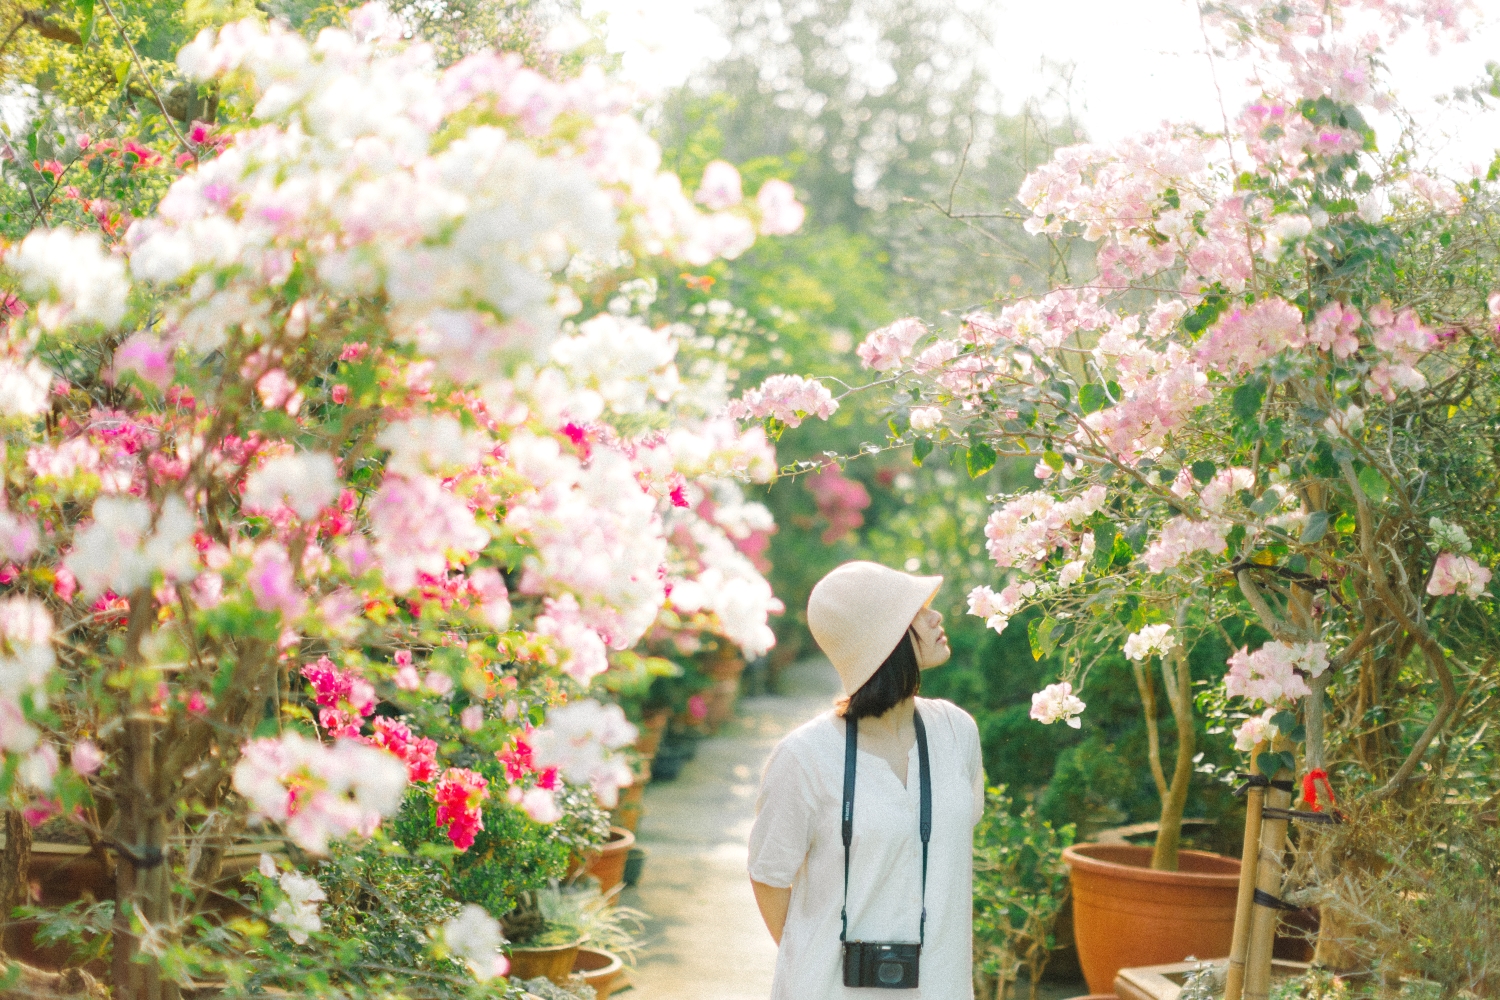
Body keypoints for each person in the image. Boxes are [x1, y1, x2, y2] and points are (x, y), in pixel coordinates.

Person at [748, 561, 984, 998]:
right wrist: (818, 958)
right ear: (885, 638)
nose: (937, 618)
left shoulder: (957, 732)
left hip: (940, 985)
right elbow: (769, 877)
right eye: (917, 611)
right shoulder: (803, 757)